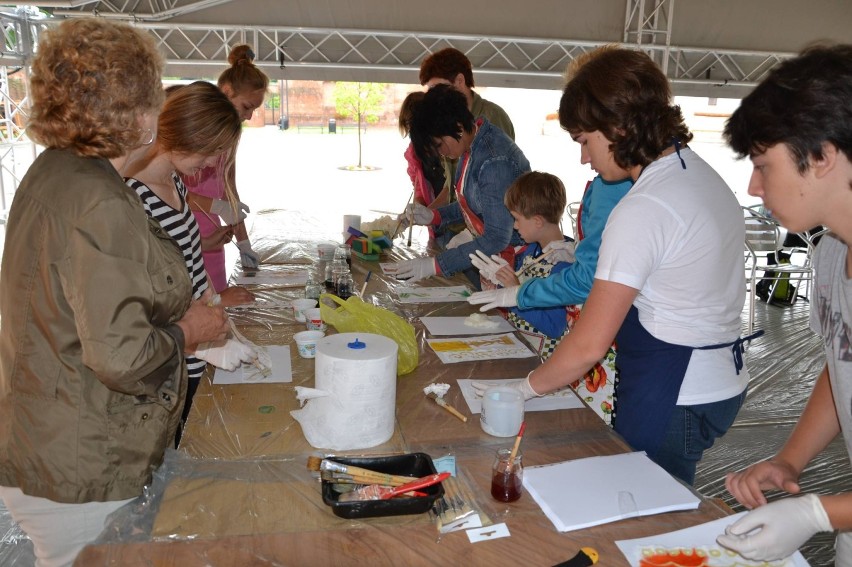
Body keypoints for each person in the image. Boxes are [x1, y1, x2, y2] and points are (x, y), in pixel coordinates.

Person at [0, 19, 231, 566]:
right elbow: (122, 356)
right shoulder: (100, 201)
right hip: (81, 460)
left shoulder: (57, 172)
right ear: (142, 116)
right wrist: (188, 330)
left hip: (52, 440)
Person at [483, 46, 749, 486]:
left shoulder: (644, 204)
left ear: (619, 127)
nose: (584, 158)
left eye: (585, 140)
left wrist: (523, 388)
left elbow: (589, 344)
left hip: (673, 390)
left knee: (643, 508)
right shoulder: (699, 173)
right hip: (720, 379)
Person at [715, 44, 852, 564]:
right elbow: (840, 367)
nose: (754, 185)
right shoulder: (833, 253)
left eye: (762, 165)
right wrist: (789, 460)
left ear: (822, 156)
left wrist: (818, 514)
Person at [124, 80, 256, 434]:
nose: (214, 163)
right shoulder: (133, 196)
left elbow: (190, 265)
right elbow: (137, 301)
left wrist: (216, 309)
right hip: (174, 361)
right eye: (212, 151)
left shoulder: (176, 181)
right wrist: (195, 344)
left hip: (196, 349)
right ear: (187, 137)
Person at [470, 174, 633, 424]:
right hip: (526, 353)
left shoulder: (561, 264)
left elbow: (554, 326)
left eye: (516, 219)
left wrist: (514, 294)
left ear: (537, 221)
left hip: (548, 364)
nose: (514, 227)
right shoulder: (532, 252)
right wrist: (498, 285)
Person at [390, 84, 530, 284]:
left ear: (457, 126)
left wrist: (435, 265)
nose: (440, 153)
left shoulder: (493, 162)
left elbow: (497, 238)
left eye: (439, 145)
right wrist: (436, 216)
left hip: (515, 265)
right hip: (496, 263)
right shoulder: (470, 147)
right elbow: (476, 205)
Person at [183, 44, 268, 293]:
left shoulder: (232, 134)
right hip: (185, 240)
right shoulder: (196, 127)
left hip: (213, 240)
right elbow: (171, 191)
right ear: (227, 91)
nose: (251, 116)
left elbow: (229, 189)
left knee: (220, 311)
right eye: (247, 107)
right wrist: (216, 206)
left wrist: (244, 242)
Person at [419, 47, 516, 246]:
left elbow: (499, 192)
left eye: (438, 88)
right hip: (454, 228)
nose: (435, 96)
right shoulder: (443, 126)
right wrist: (430, 214)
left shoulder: (492, 117)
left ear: (460, 81)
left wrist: (469, 235)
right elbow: (452, 187)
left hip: (485, 237)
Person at [398, 91, 445, 241]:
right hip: (436, 228)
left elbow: (453, 189)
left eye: (415, 124)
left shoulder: (446, 146)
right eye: (408, 125)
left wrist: (428, 214)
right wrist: (415, 210)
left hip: (460, 226)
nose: (412, 131)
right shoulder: (413, 153)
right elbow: (418, 188)